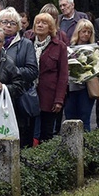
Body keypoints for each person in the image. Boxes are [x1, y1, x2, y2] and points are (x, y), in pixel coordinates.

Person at [0, 7, 38, 146]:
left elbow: (32, 71)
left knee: (21, 140)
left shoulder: (26, 44)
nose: (8, 25)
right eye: (5, 22)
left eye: (13, 23)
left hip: (20, 98)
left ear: (19, 26)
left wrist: (11, 72)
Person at [29, 14, 68, 142]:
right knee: (28, 132)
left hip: (48, 96)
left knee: (46, 133)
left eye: (44, 23)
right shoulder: (27, 43)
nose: (40, 25)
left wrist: (59, 99)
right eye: (37, 22)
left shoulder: (59, 46)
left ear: (51, 27)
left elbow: (63, 75)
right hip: (29, 95)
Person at [65, 19, 96, 130]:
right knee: (70, 117)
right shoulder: (69, 48)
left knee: (85, 117)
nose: (86, 34)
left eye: (89, 32)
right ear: (78, 32)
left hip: (86, 88)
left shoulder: (94, 49)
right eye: (83, 31)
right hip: (71, 87)